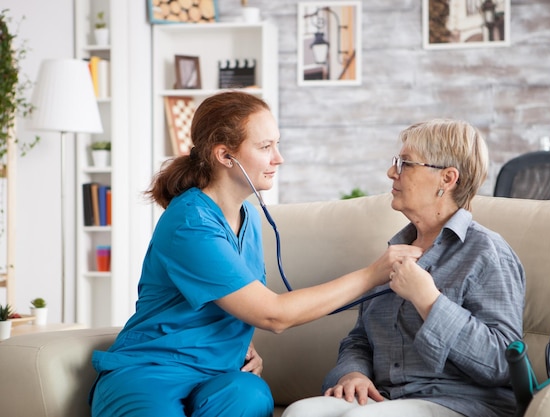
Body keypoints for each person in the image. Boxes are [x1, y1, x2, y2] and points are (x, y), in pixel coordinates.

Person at [89, 91, 422, 417]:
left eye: (276, 144)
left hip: (219, 375)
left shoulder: (247, 217)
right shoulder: (189, 222)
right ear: (225, 156)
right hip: (153, 371)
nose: (279, 158)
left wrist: (235, 347)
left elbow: (228, 304)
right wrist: (371, 274)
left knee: (249, 395)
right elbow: (271, 314)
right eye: (266, 147)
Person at [282, 119, 526, 417]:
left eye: (406, 163)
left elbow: (503, 363)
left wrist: (429, 301)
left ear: (447, 179)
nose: (391, 172)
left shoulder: (487, 252)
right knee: (300, 412)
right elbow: (359, 339)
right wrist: (352, 374)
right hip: (389, 400)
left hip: (462, 404)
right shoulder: (395, 253)